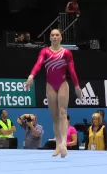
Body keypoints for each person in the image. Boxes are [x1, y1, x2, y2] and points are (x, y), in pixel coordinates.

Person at [25, 29, 82, 158]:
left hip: (62, 83)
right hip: (50, 85)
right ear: (49, 38)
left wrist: (77, 86)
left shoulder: (66, 53)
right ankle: (58, 144)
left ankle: (64, 144)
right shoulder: (45, 51)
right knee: (54, 116)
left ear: (61, 38)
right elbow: (38, 64)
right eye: (52, 35)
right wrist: (31, 76)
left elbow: (72, 71)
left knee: (63, 113)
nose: (55, 37)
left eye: (57, 35)